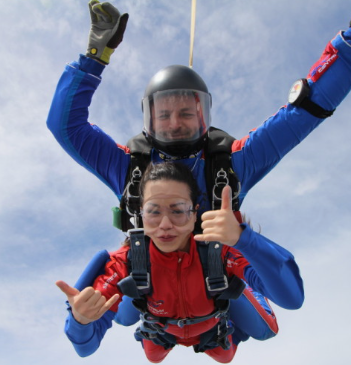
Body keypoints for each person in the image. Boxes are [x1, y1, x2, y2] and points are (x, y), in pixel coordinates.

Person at [47, 0, 351, 342]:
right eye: (163, 114)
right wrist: (94, 55)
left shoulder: (231, 164)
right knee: (124, 315)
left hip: (219, 271)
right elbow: (65, 127)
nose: (174, 123)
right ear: (148, 119)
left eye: (186, 113)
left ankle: (221, 329)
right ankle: (164, 326)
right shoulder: (131, 167)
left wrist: (348, 49)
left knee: (262, 330)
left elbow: (305, 111)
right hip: (152, 278)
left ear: (204, 116)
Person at [56, 162, 304, 363]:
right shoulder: (128, 260)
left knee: (241, 344)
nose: (165, 224)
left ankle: (234, 299)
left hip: (212, 325)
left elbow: (292, 298)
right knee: (151, 354)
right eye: (154, 211)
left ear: (194, 213)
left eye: (178, 210)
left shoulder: (220, 250)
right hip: (161, 327)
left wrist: (244, 239)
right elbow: (85, 349)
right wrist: (80, 320)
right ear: (141, 214)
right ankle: (150, 320)